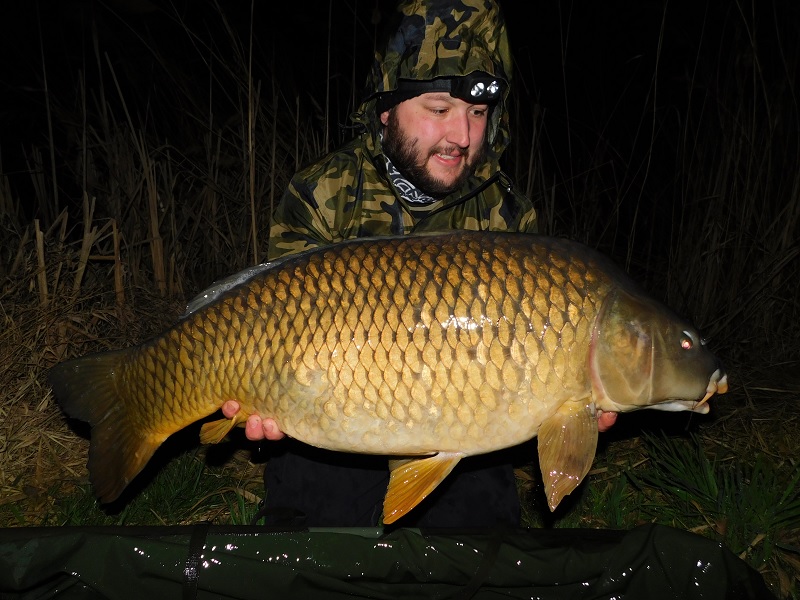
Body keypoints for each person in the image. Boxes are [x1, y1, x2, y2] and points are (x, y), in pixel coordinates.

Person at [222, 0, 617, 527]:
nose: (462, 136)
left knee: (478, 544)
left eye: (478, 114)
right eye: (439, 110)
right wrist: (261, 394)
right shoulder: (323, 193)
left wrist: (576, 402)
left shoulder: (506, 212)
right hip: (334, 421)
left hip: (466, 429)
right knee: (317, 533)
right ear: (386, 110)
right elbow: (274, 318)